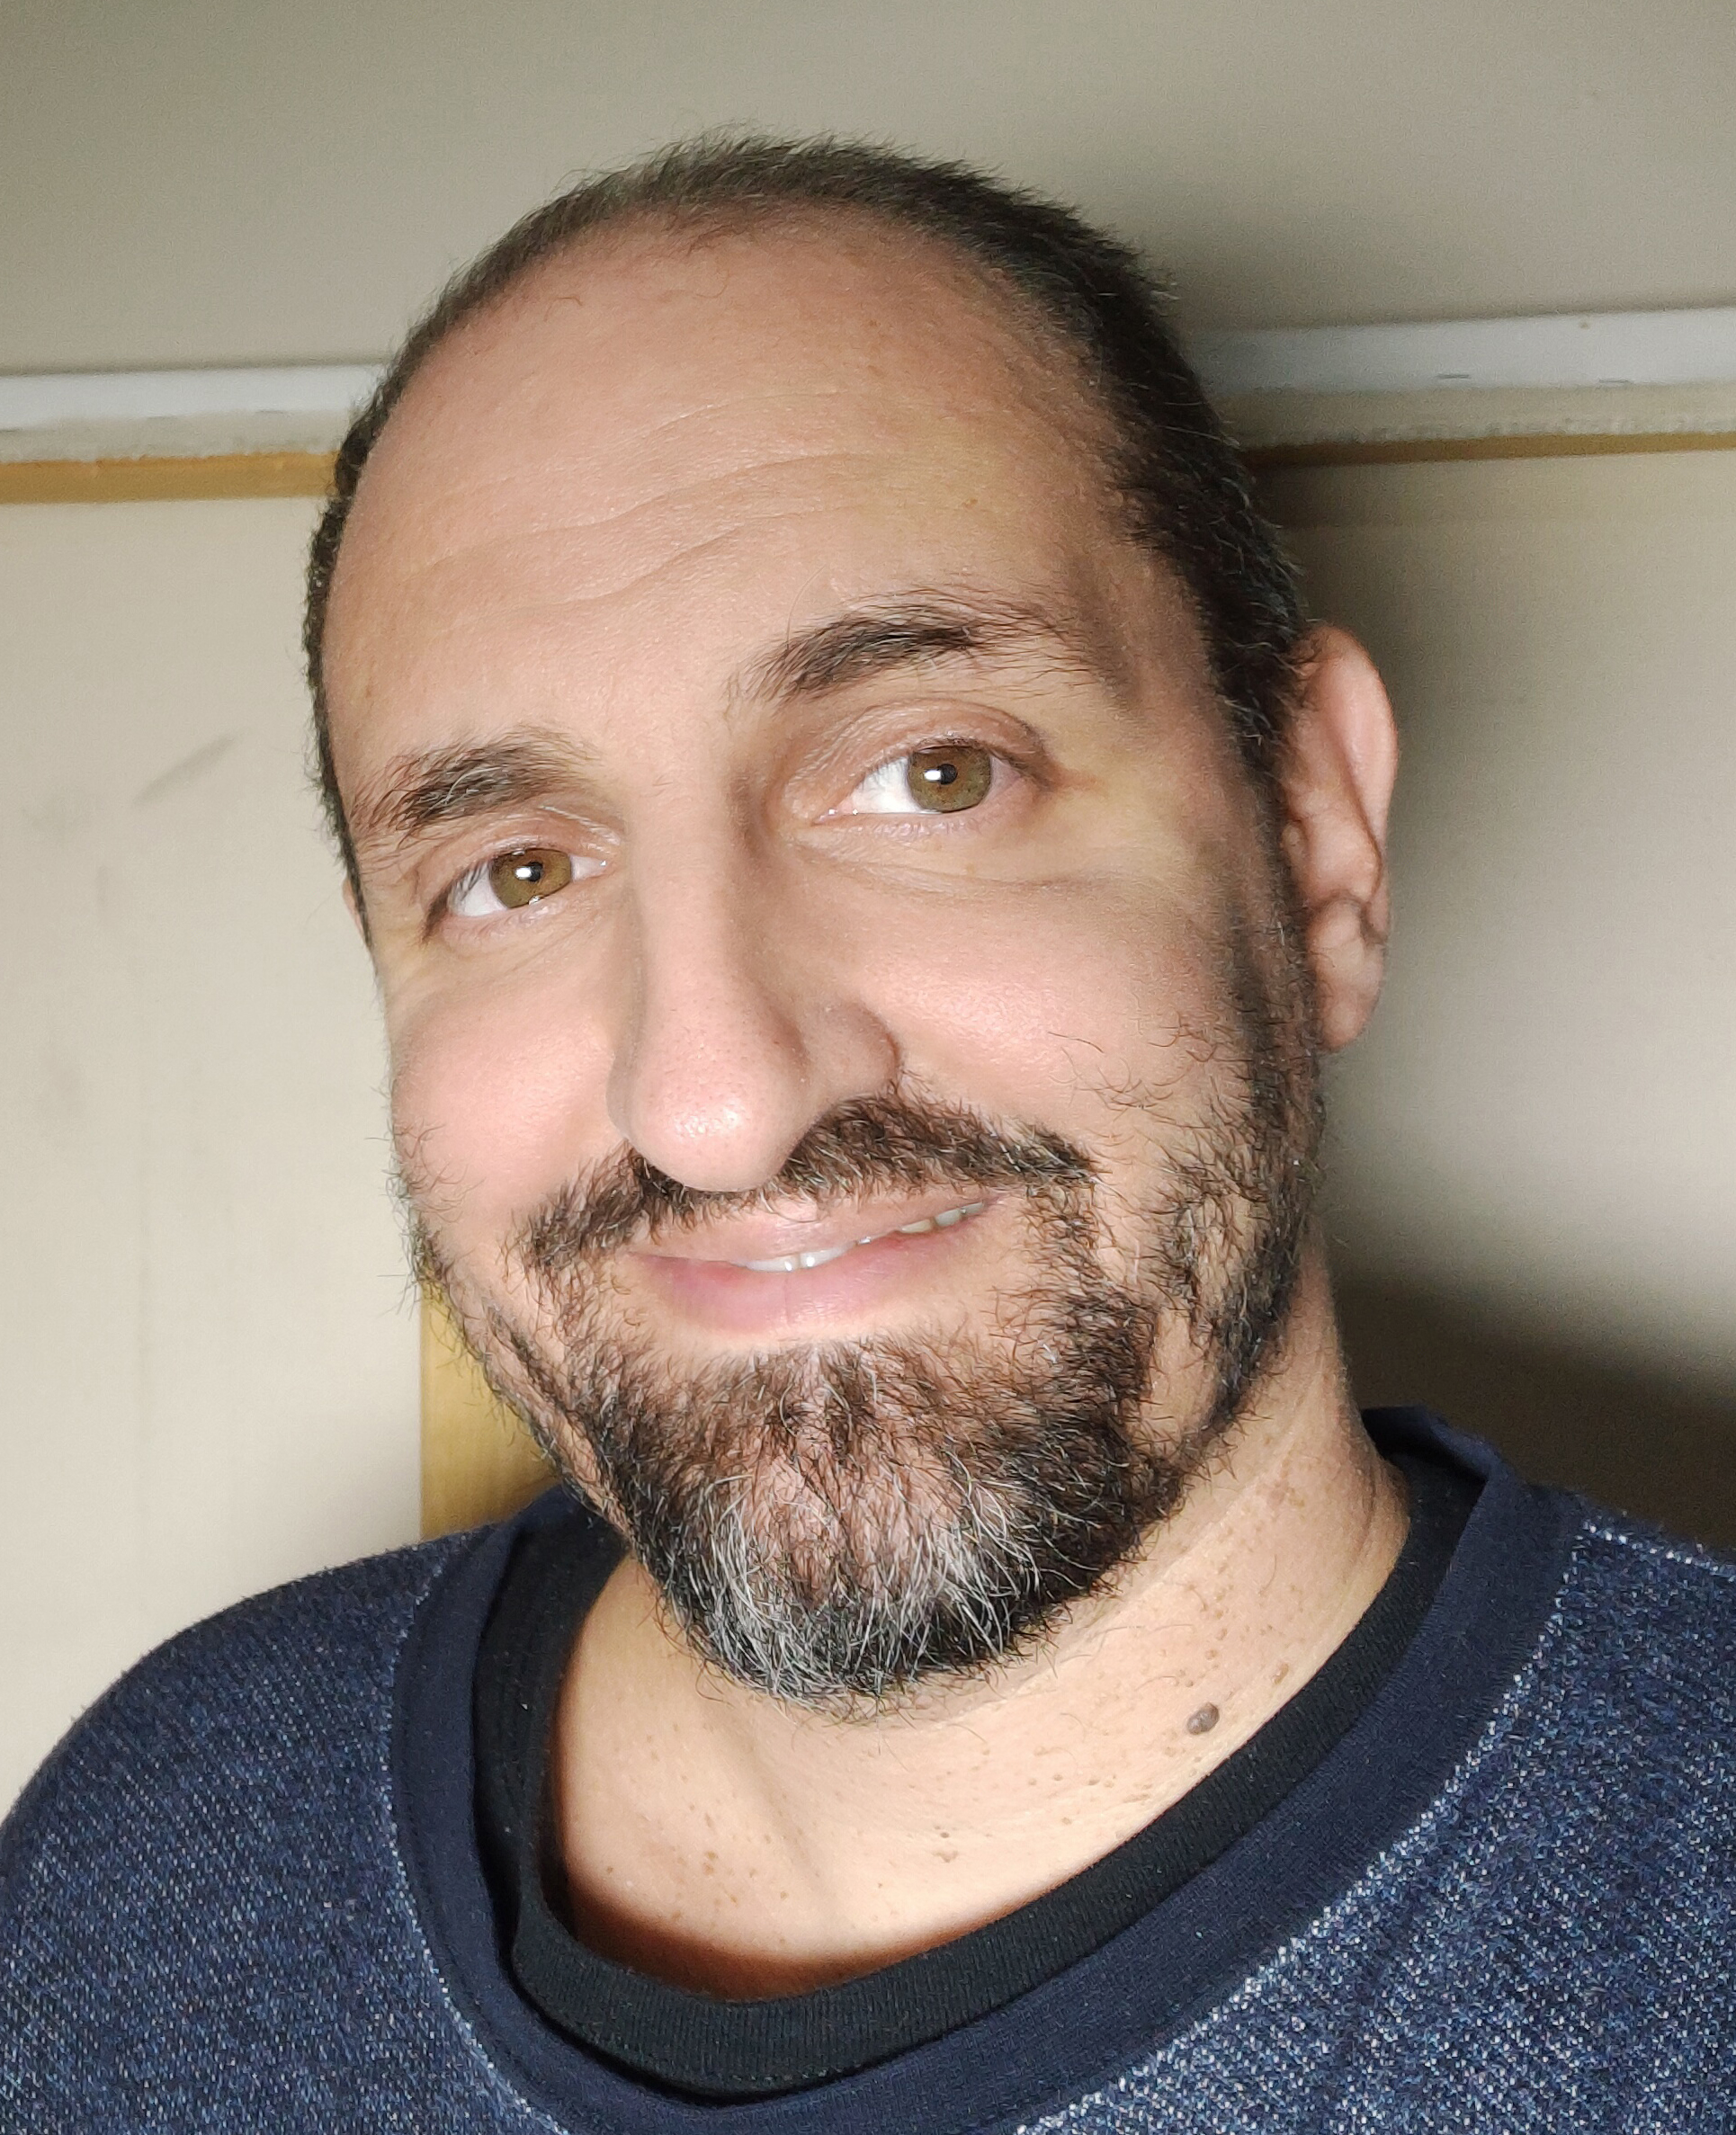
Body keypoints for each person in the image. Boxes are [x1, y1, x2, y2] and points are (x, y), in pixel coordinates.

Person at [3, 135, 1732, 2131]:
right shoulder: (151, 1865)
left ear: (1311, 841)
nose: (718, 1097)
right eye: (515, 868)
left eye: (932, 772)